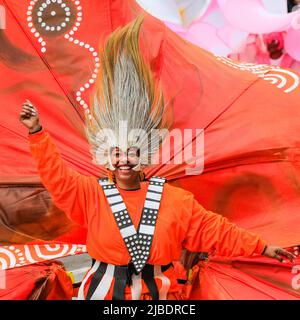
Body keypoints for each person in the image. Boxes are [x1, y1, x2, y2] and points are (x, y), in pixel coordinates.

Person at [19, 17, 295, 300]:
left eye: (131, 152)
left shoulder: (176, 202)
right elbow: (57, 179)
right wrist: (38, 132)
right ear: (106, 155)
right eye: (116, 152)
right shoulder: (91, 194)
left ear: (144, 154)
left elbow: (216, 230)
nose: (124, 160)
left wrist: (262, 248)